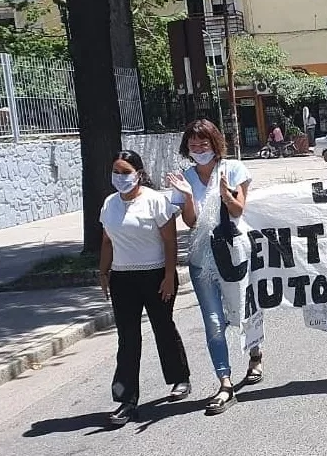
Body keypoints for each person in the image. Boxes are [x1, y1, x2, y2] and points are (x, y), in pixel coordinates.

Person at [165, 119, 261, 415]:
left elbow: (238, 210)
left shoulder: (233, 170)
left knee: (242, 312)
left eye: (203, 144)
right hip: (201, 260)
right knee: (214, 323)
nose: (198, 149)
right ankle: (225, 383)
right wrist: (188, 196)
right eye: (193, 145)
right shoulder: (185, 177)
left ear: (215, 143)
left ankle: (255, 354)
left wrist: (225, 193)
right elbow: (192, 222)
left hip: (234, 256)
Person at [99, 150, 190, 426]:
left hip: (155, 275)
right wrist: (103, 272)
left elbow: (170, 242)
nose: (120, 177)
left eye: (125, 172)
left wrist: (168, 276)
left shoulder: (155, 201)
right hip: (122, 278)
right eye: (116, 171)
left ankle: (179, 378)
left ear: (138, 173)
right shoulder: (109, 204)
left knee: (163, 326)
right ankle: (127, 400)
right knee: (127, 338)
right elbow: (106, 241)